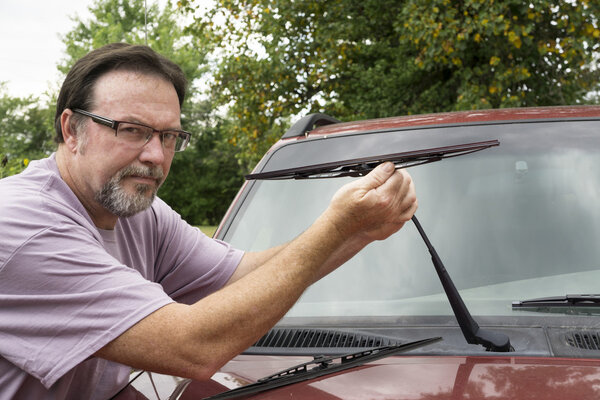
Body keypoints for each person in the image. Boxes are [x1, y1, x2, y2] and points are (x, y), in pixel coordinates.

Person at [0, 43, 418, 399]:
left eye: (169, 136)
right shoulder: (23, 228)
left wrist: (358, 230)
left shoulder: (135, 212)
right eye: (132, 130)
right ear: (72, 130)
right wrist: (336, 229)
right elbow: (192, 347)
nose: (156, 156)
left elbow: (243, 276)